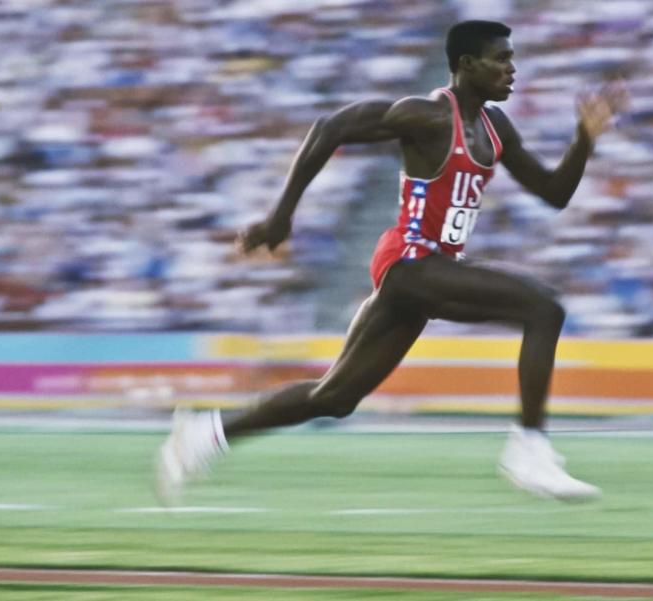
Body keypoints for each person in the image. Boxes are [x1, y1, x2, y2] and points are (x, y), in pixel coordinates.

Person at [155, 20, 628, 506]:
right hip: (410, 262)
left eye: (512, 58)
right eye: (501, 59)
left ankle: (203, 434)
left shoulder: (495, 127)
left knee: (334, 398)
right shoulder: (426, 116)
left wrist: (584, 139)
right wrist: (281, 217)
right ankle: (529, 448)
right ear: (466, 65)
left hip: (428, 271)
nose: (512, 69)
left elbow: (554, 193)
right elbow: (330, 127)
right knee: (543, 308)